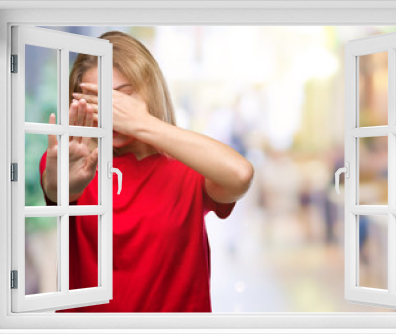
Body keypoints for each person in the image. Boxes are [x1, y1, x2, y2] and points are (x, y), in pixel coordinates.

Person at [39, 31, 254, 312]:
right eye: (95, 99)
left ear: (150, 88)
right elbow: (57, 186)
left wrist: (141, 122)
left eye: (122, 96)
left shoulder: (188, 164)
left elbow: (240, 175)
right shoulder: (71, 162)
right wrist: (60, 183)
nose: (109, 110)